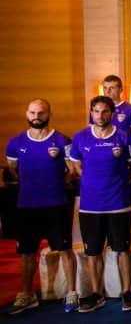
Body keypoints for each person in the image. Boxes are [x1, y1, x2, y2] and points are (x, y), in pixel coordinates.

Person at [6, 99, 78, 314]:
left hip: (56, 205)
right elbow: (12, 171)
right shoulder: (15, 142)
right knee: (27, 253)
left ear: (49, 114)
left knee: (64, 249)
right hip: (27, 206)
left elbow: (72, 171)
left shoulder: (62, 140)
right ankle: (27, 294)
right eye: (33, 112)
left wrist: (54, 183)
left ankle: (72, 293)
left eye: (41, 112)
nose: (36, 116)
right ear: (27, 114)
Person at [70, 96, 131, 313]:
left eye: (104, 111)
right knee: (93, 252)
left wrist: (117, 182)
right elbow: (76, 166)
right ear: (91, 112)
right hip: (90, 205)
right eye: (96, 111)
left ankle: (127, 292)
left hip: (118, 203)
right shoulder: (80, 138)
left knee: (122, 249)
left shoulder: (123, 137)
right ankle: (97, 293)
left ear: (112, 113)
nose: (100, 115)